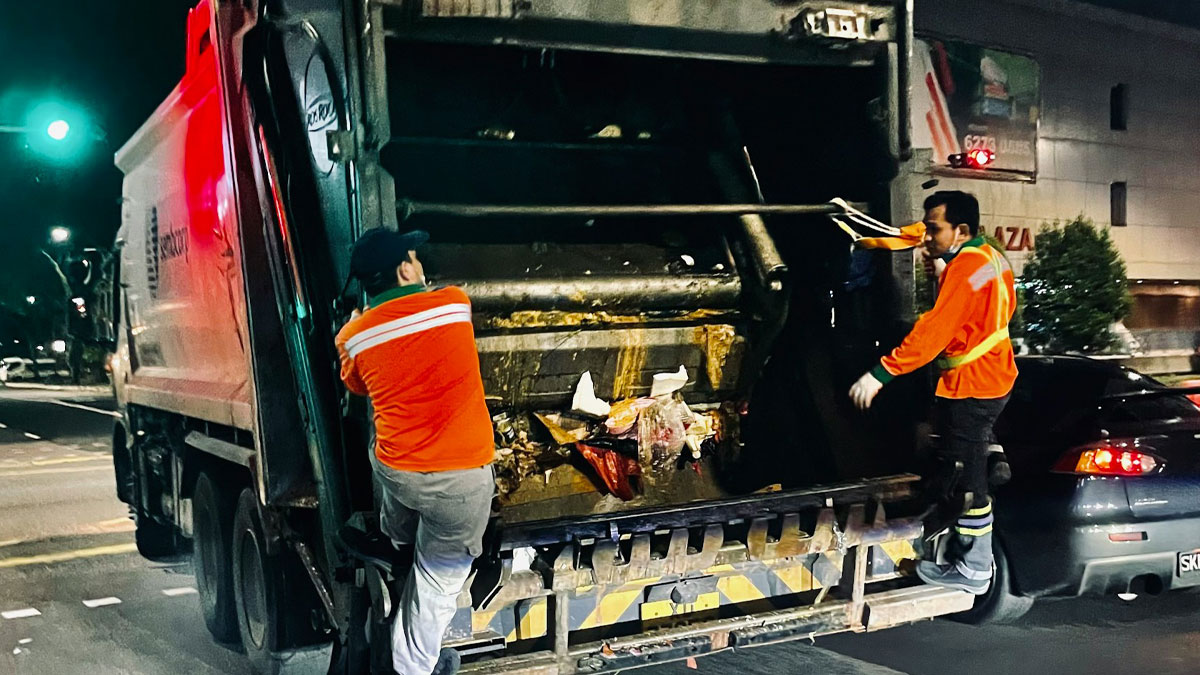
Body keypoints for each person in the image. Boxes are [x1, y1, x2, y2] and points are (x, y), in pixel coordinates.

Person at [336, 228, 495, 675]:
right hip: (460, 482)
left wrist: (357, 323)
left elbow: (356, 386)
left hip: (399, 473)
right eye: (416, 258)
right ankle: (412, 668)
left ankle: (396, 540)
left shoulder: (353, 336)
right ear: (406, 269)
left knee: (385, 444)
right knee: (437, 584)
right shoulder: (454, 304)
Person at [847, 191, 1017, 595]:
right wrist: (940, 266)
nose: (926, 237)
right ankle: (991, 453)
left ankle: (973, 567)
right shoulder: (989, 257)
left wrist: (881, 374)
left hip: (970, 386)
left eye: (934, 229)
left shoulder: (965, 268)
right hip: (995, 376)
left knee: (968, 485)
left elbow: (934, 332)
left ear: (961, 230)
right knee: (968, 452)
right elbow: (977, 301)